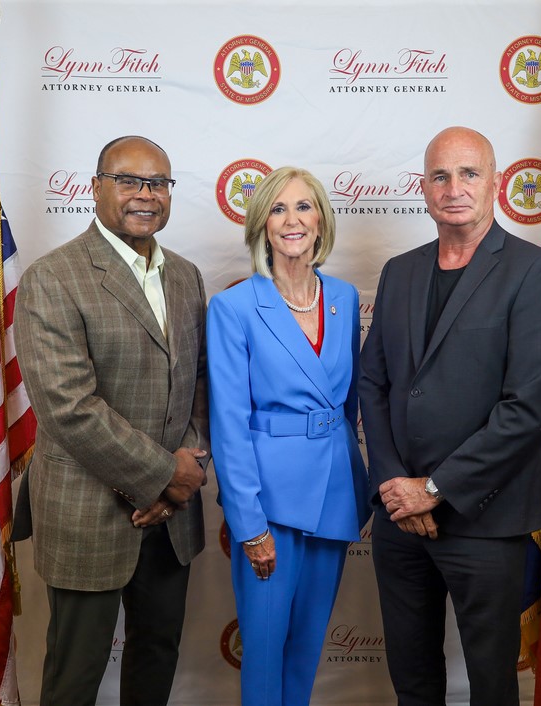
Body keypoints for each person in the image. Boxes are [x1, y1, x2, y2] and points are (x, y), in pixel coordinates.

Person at [359, 126, 541, 706]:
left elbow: (529, 408)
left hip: (483, 518)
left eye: (469, 173)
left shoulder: (535, 271)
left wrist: (434, 489)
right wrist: (395, 485)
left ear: (495, 182)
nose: (454, 188)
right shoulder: (400, 271)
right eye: (440, 176)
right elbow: (374, 382)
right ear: (424, 188)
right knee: (412, 682)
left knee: (491, 686)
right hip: (400, 518)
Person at [14, 135, 208, 706]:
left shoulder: (186, 276)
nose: (145, 194)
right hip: (88, 513)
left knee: (157, 659)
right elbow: (68, 407)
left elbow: (200, 386)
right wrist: (164, 476)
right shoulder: (53, 277)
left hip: (172, 519)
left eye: (158, 183)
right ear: (96, 188)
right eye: (128, 181)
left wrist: (187, 468)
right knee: (75, 675)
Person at [207, 167, 370, 706]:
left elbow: (347, 406)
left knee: (306, 647)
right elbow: (229, 424)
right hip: (270, 504)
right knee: (265, 651)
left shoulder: (344, 297)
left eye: (303, 206)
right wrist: (249, 523)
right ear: (262, 225)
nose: (291, 219)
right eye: (278, 209)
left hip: (334, 492)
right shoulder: (233, 307)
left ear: (321, 220)